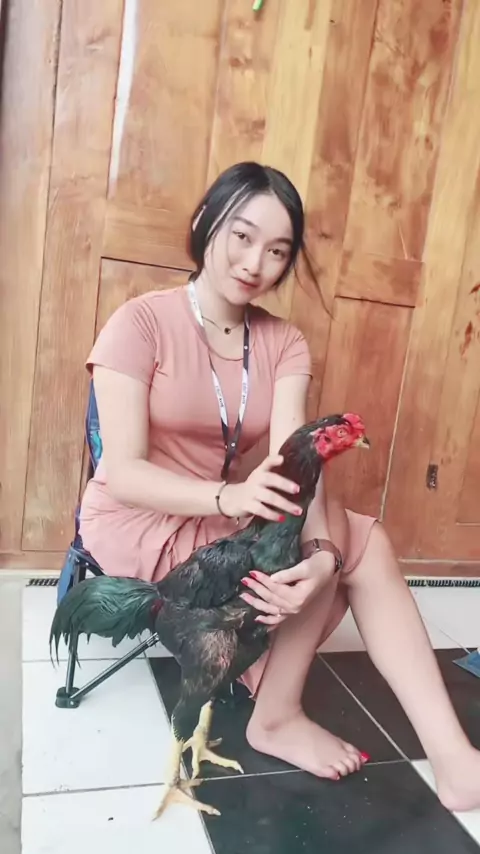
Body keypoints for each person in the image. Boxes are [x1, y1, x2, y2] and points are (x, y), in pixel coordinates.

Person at [79, 161, 480, 812]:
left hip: (232, 515)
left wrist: (324, 556)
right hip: (145, 514)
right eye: (241, 236)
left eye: (277, 250)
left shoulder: (283, 341)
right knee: (301, 548)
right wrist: (229, 498)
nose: (255, 262)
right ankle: (276, 712)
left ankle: (455, 759)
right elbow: (122, 473)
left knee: (352, 540)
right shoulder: (140, 323)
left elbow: (299, 461)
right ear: (205, 223)